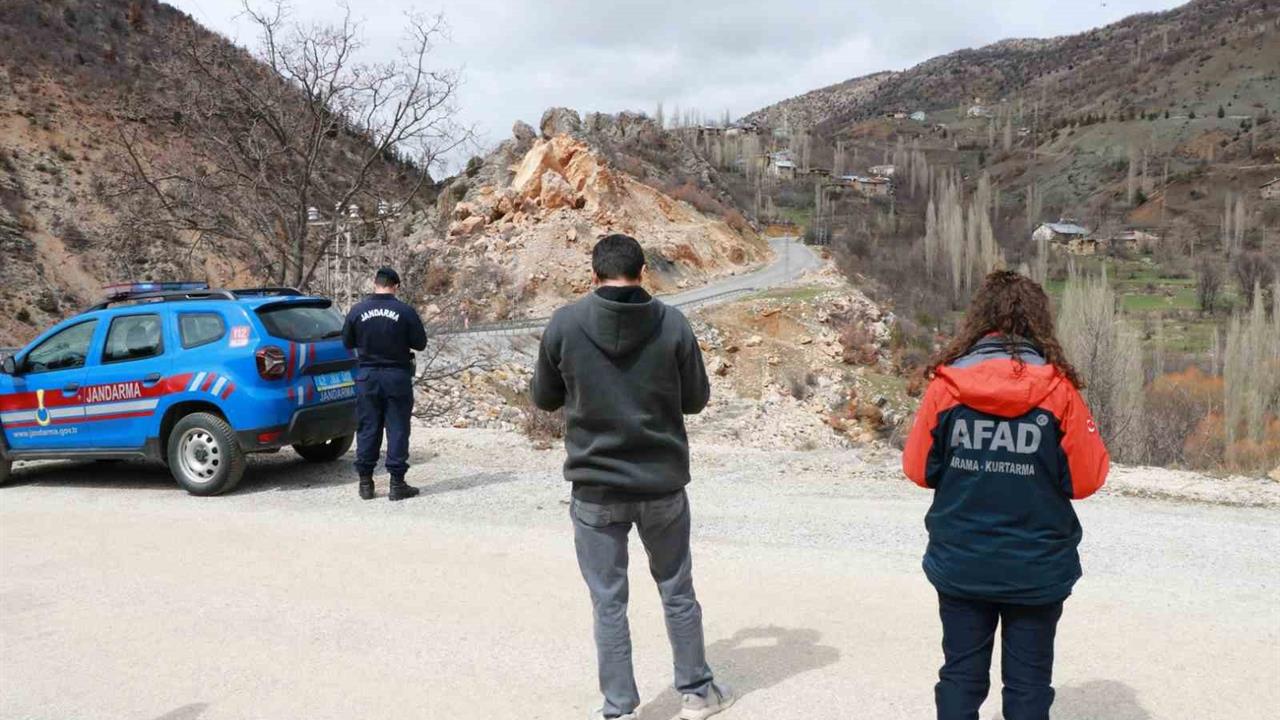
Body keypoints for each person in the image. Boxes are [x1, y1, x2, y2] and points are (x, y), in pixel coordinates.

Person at [530, 234, 734, 720]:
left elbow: (543, 397)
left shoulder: (565, 323)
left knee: (608, 602)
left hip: (596, 487)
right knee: (676, 589)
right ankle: (696, 693)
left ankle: (619, 708)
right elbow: (695, 401)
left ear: (593, 275)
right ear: (644, 274)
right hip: (661, 483)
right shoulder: (672, 323)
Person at [902, 270, 1110, 720]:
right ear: (1038, 322)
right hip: (1036, 566)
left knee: (960, 677)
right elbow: (1087, 480)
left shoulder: (946, 388)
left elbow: (918, 470)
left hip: (962, 560)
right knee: (1029, 686)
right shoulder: (1059, 392)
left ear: (979, 320)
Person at [341, 267, 427, 502]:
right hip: (396, 376)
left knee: (368, 428)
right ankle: (397, 484)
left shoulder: (357, 310)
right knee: (397, 428)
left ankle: (365, 483)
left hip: (367, 376)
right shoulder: (405, 311)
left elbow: (347, 342)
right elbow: (420, 343)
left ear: (375, 284)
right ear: (396, 286)